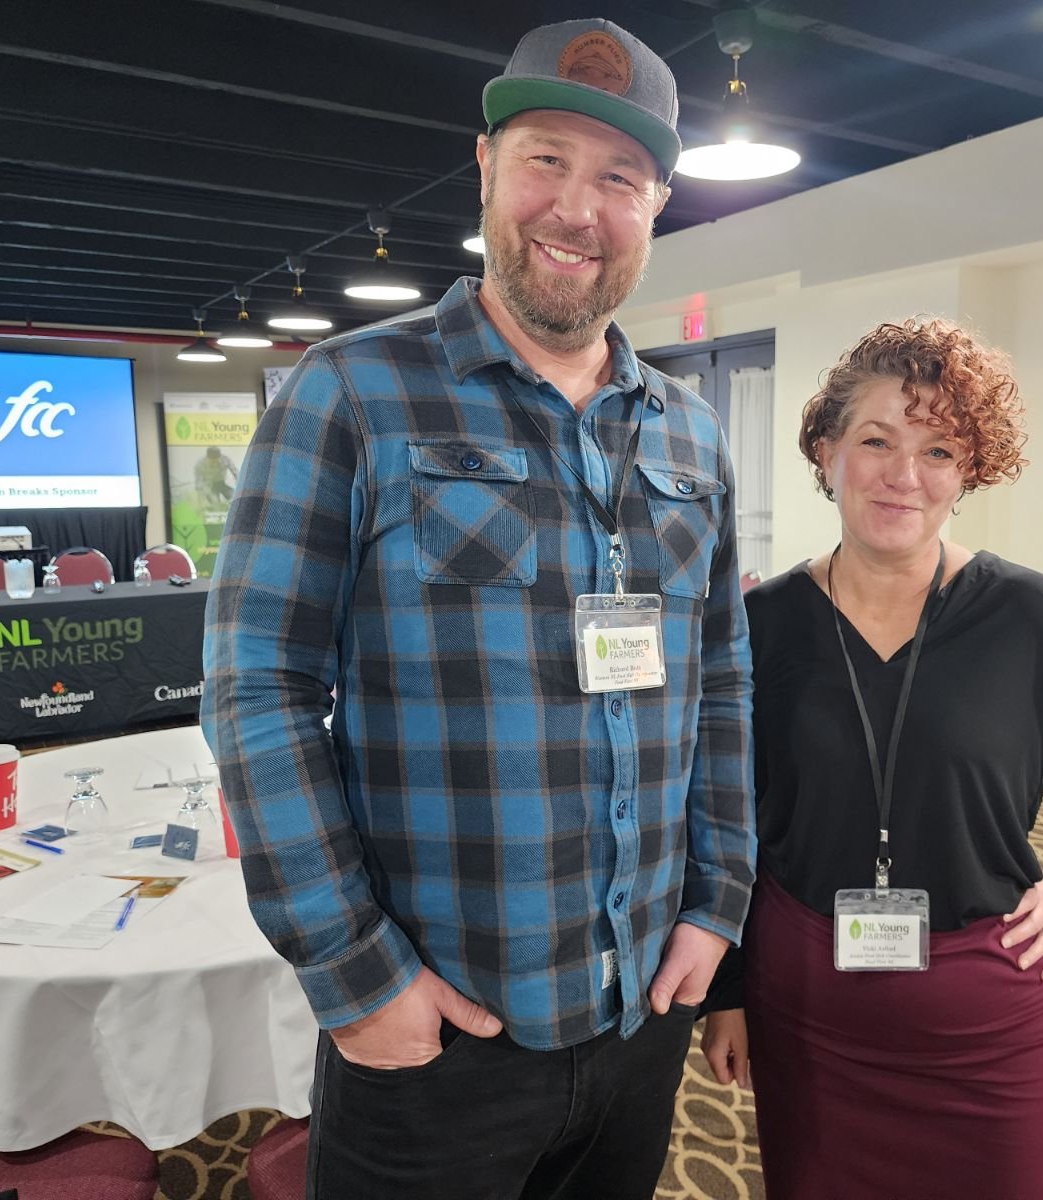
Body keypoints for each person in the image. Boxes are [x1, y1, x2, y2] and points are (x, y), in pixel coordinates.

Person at [202, 18, 755, 1200]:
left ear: (654, 205)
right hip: (442, 1032)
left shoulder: (689, 433)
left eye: (618, 177)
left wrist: (718, 901)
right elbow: (259, 684)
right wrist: (358, 980)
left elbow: (722, 681)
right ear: (487, 167)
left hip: (644, 1006)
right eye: (546, 158)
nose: (576, 208)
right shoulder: (351, 391)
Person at [700, 319, 1043, 1200]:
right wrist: (728, 988)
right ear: (825, 453)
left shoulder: (1039, 620)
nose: (905, 475)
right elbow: (722, 814)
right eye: (876, 440)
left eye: (938, 450)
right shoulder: (762, 625)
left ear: (969, 471)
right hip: (808, 1013)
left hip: (988, 1028)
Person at [192, 445, 238, 510]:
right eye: (212, 461)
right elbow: (198, 482)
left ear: (219, 457)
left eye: (216, 460)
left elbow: (235, 472)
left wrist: (239, 484)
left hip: (223, 483)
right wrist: (201, 498)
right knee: (215, 503)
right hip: (210, 485)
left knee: (234, 497)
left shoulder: (225, 460)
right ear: (207, 458)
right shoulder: (200, 464)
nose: (214, 463)